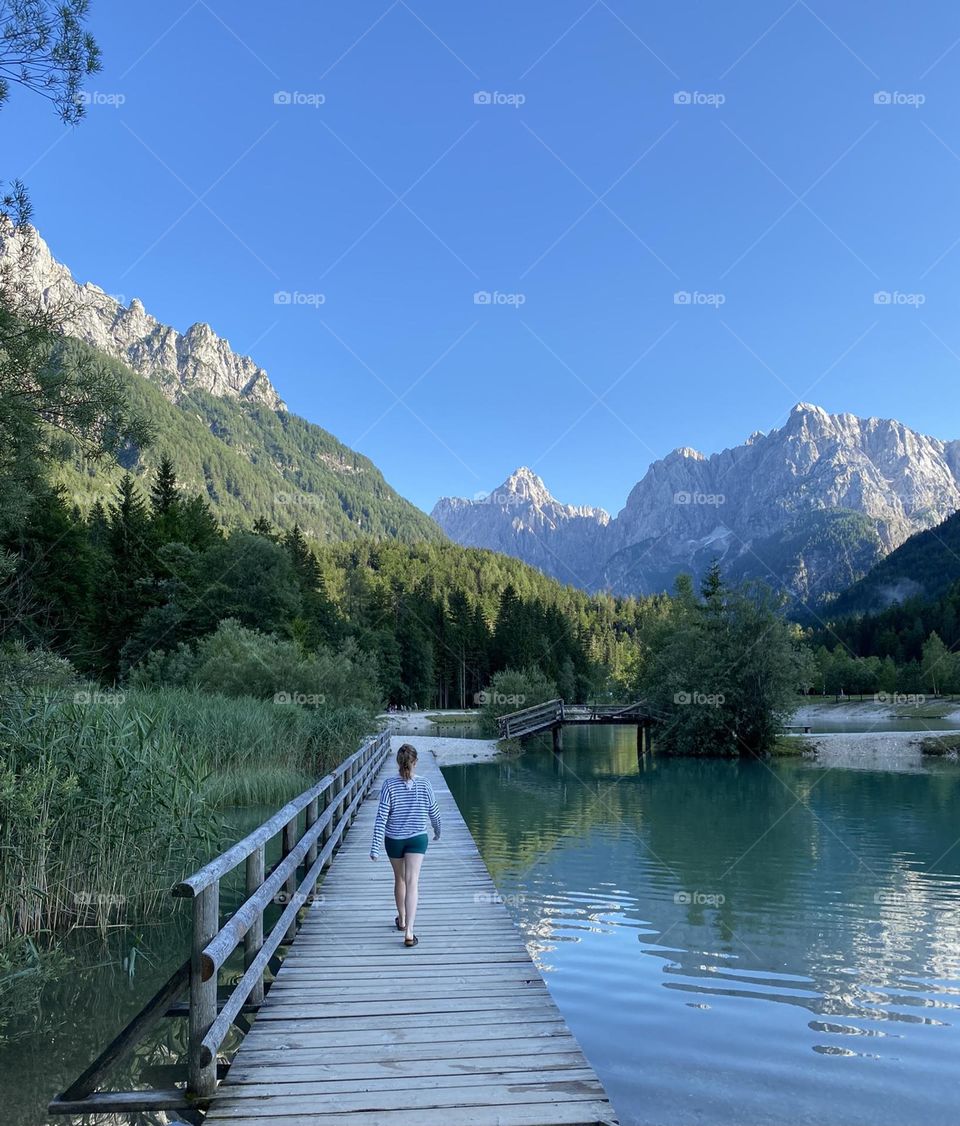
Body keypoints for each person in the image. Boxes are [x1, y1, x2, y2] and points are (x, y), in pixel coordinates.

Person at [370, 744, 441, 947]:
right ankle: (409, 931)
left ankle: (401, 920)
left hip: (394, 839)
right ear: (415, 762)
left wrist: (375, 847)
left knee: (400, 879)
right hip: (418, 838)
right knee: (413, 881)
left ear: (398, 763)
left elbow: (381, 817)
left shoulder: (389, 785)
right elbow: (434, 813)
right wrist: (437, 832)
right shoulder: (425, 784)